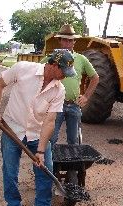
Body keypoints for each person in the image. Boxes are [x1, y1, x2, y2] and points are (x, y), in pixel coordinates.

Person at [0, 49, 76, 206]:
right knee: (10, 170)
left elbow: (50, 121)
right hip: (12, 129)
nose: (64, 76)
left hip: (37, 132)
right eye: (63, 72)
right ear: (53, 65)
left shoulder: (59, 90)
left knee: (45, 168)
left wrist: (41, 151)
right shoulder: (23, 69)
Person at [50, 24, 99, 184]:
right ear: (60, 41)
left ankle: (74, 172)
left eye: (70, 41)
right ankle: (47, 172)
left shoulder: (81, 59)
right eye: (64, 40)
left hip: (74, 106)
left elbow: (95, 77)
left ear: (73, 43)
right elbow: (39, 71)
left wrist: (86, 96)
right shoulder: (53, 58)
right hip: (56, 106)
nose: (67, 43)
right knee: (51, 138)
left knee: (74, 142)